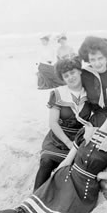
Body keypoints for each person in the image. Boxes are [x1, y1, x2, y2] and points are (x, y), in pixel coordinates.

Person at [33, 56, 92, 191]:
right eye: (66, 75)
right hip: (58, 138)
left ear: (79, 72)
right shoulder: (58, 93)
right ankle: (35, 196)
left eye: (73, 73)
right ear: (63, 78)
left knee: (74, 168)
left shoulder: (90, 93)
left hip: (78, 138)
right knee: (47, 162)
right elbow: (53, 123)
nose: (71, 77)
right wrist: (67, 142)